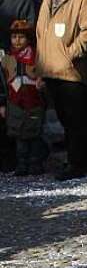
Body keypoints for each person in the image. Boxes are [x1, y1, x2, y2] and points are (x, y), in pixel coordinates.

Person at [36, 0, 87, 181]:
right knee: (65, 118)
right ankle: (78, 159)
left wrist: (69, 54)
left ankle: (78, 163)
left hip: (71, 70)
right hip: (50, 69)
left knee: (75, 120)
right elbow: (41, 35)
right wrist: (40, 66)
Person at [0, 18, 46, 175]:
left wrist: (42, 83)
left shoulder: (36, 57)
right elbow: (2, 83)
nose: (17, 40)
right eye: (14, 37)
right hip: (14, 102)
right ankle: (21, 163)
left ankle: (35, 163)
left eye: (21, 37)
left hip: (33, 102)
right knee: (18, 135)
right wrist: (2, 104)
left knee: (34, 134)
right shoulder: (7, 59)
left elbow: (43, 75)